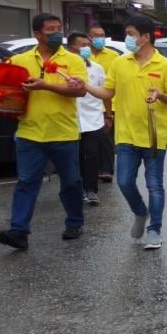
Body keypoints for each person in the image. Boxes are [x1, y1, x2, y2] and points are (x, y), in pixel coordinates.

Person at [84, 15, 167, 250]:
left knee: (154, 185)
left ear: (145, 37)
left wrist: (160, 95)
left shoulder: (166, 66)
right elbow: (107, 93)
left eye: (131, 33)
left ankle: (154, 229)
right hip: (126, 135)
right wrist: (84, 86)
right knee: (125, 182)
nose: (127, 38)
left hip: (154, 136)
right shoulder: (120, 63)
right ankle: (140, 211)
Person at [0, 14, 88, 249]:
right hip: (30, 132)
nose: (57, 33)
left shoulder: (73, 60)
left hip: (64, 132)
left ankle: (75, 222)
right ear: (38, 34)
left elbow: (79, 92)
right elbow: (5, 90)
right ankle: (19, 231)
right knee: (26, 182)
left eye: (60, 28)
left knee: (71, 182)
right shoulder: (19, 60)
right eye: (51, 29)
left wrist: (46, 85)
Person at [67, 32, 107, 206]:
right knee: (74, 157)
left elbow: (105, 93)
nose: (86, 48)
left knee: (91, 155)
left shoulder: (97, 68)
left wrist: (108, 114)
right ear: (71, 48)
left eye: (87, 45)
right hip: (70, 120)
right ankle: (76, 190)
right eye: (82, 45)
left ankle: (91, 190)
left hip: (93, 119)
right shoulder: (64, 68)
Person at [88, 22, 118, 183]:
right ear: (89, 38)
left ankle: (107, 169)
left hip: (109, 103)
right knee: (92, 139)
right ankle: (93, 168)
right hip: (88, 104)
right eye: (96, 36)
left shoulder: (113, 56)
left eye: (102, 35)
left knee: (106, 138)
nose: (100, 38)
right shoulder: (84, 55)